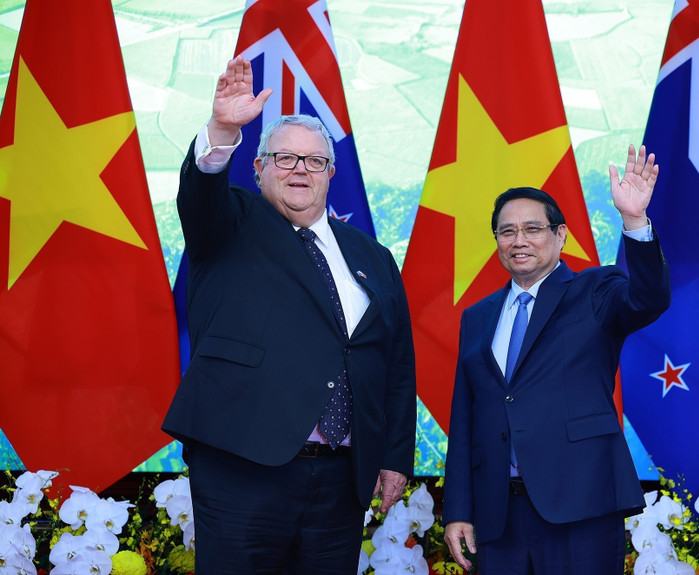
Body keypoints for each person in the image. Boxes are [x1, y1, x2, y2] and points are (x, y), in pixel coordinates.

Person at [162, 56, 416, 575]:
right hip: (243, 465)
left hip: (341, 480)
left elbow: (395, 364)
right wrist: (222, 130)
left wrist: (394, 456)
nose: (300, 169)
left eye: (313, 161)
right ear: (258, 169)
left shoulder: (373, 257)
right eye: (284, 158)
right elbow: (200, 195)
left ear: (330, 174)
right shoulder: (231, 224)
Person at [442, 145, 671, 575]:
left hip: (580, 504)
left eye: (532, 228)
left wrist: (635, 221)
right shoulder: (477, 316)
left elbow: (649, 298)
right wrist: (457, 508)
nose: (519, 240)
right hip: (497, 515)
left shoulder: (596, 291)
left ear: (560, 235)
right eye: (507, 232)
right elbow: (466, 417)